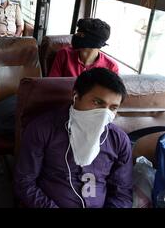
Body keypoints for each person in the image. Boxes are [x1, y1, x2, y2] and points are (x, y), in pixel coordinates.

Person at [14, 68, 132, 208]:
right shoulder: (43, 129)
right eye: (97, 103)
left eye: (112, 108)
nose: (104, 114)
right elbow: (25, 182)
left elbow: (122, 193)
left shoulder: (119, 140)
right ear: (76, 96)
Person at [49, 18, 119, 77]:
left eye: (81, 35)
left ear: (94, 41)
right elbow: (51, 84)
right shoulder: (64, 54)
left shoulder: (111, 67)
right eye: (78, 32)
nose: (75, 36)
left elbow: (111, 92)